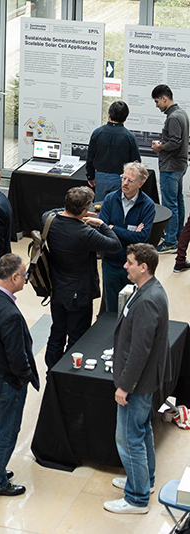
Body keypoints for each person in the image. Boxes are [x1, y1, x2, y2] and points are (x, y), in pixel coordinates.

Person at [104, 243, 169, 515]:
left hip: (137, 384)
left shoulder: (147, 301)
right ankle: (145, 479)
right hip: (143, 380)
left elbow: (140, 351)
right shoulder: (147, 290)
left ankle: (137, 498)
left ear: (143, 267)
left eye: (129, 262)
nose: (125, 266)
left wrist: (125, 386)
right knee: (142, 431)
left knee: (129, 438)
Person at [0, 253, 39, 497]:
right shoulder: (9, 314)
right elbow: (17, 357)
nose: (26, 279)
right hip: (7, 382)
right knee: (7, 431)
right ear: (13, 277)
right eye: (24, 275)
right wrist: (24, 377)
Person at [43, 186, 121, 369]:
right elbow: (115, 244)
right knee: (77, 338)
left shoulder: (49, 220)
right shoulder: (85, 233)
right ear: (85, 210)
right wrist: (101, 224)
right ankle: (67, 372)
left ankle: (51, 372)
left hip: (56, 288)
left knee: (57, 333)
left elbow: (53, 211)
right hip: (79, 293)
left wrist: (70, 210)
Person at [98, 162, 155, 312]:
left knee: (132, 309)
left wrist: (113, 228)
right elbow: (101, 230)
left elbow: (142, 238)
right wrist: (131, 234)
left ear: (141, 184)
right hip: (111, 263)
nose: (125, 183)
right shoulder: (110, 199)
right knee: (111, 310)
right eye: (123, 178)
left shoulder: (147, 205)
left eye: (130, 180)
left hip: (134, 265)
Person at [151, 84, 189, 254]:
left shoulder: (173, 117)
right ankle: (178, 235)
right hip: (179, 166)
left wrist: (160, 147)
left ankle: (170, 241)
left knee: (170, 204)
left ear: (164, 98)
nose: (156, 105)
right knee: (178, 201)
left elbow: (175, 142)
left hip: (171, 167)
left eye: (157, 101)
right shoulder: (182, 113)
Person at [86, 100, 141, 201]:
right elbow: (136, 162)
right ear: (125, 118)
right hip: (121, 178)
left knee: (100, 206)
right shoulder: (129, 137)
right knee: (118, 205)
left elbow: (90, 157)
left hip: (100, 177)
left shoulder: (97, 133)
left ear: (109, 115)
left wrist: (90, 176)